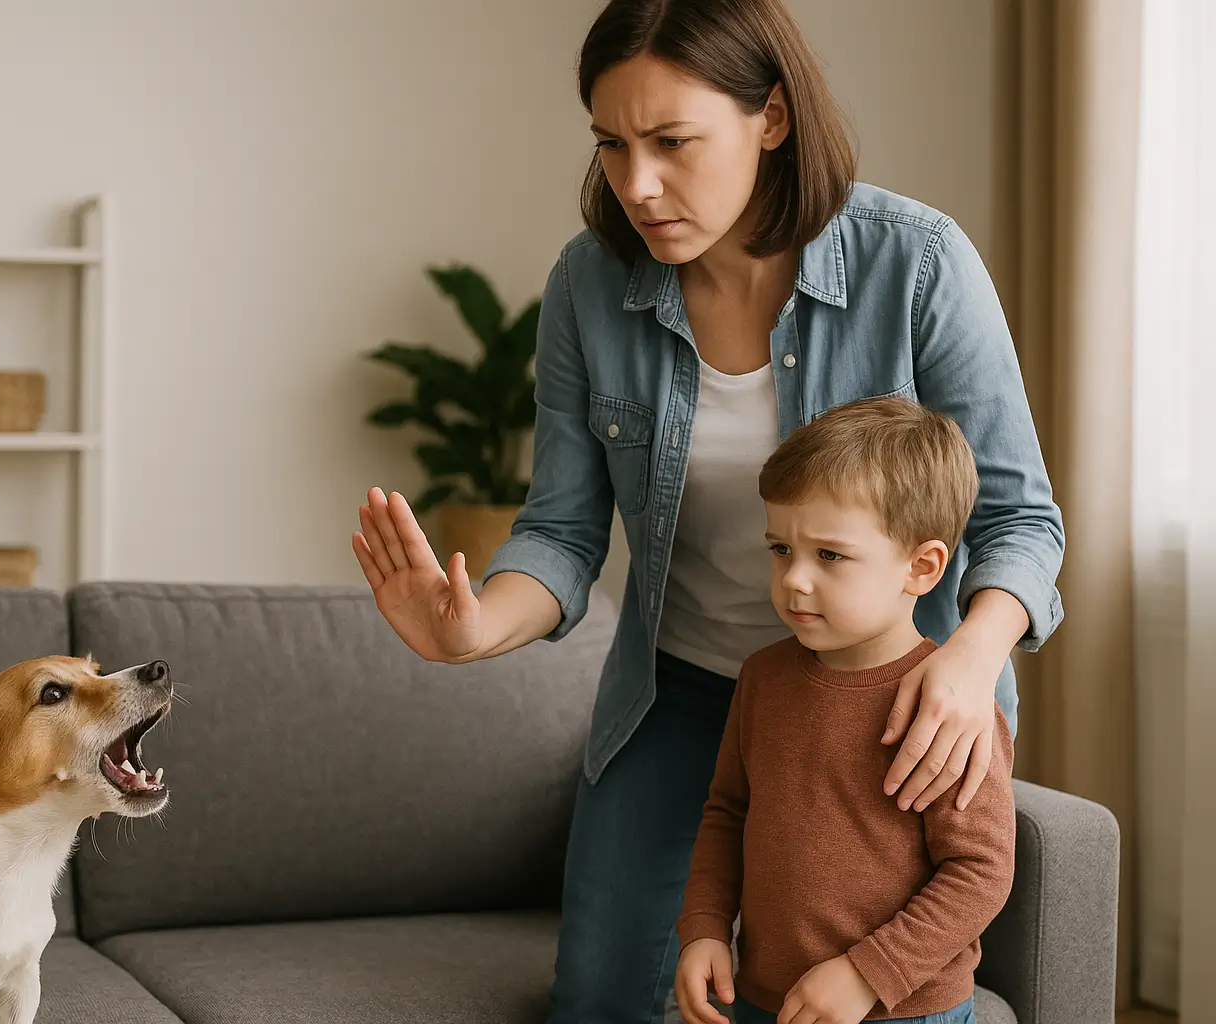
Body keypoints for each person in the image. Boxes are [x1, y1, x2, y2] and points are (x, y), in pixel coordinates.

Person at [351, 0, 1063, 1021]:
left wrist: (971, 660)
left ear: (770, 117)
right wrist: (474, 630)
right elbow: (559, 530)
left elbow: (1022, 519)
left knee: (853, 990)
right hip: (681, 690)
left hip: (889, 701)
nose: (635, 184)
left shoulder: (915, 261)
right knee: (604, 999)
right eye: (611, 144)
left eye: (673, 142)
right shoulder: (589, 285)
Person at [673, 396, 1015, 1024]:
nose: (795, 579)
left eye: (829, 555)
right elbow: (727, 813)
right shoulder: (762, 679)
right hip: (761, 1000)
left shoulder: (951, 708)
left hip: (905, 1011)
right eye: (780, 550)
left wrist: (868, 974)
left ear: (921, 566)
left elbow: (981, 872)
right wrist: (703, 928)